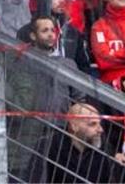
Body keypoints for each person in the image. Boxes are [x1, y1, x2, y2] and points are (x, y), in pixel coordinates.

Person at [6, 15, 78, 182]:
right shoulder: (21, 61)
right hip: (27, 136)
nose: (51, 34)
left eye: (53, 30)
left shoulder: (68, 64)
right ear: (33, 35)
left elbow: (78, 99)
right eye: (44, 30)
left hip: (59, 134)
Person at [25, 101, 125, 183]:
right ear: (74, 126)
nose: (100, 129)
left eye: (99, 123)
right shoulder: (50, 145)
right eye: (92, 124)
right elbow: (35, 178)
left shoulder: (104, 149)